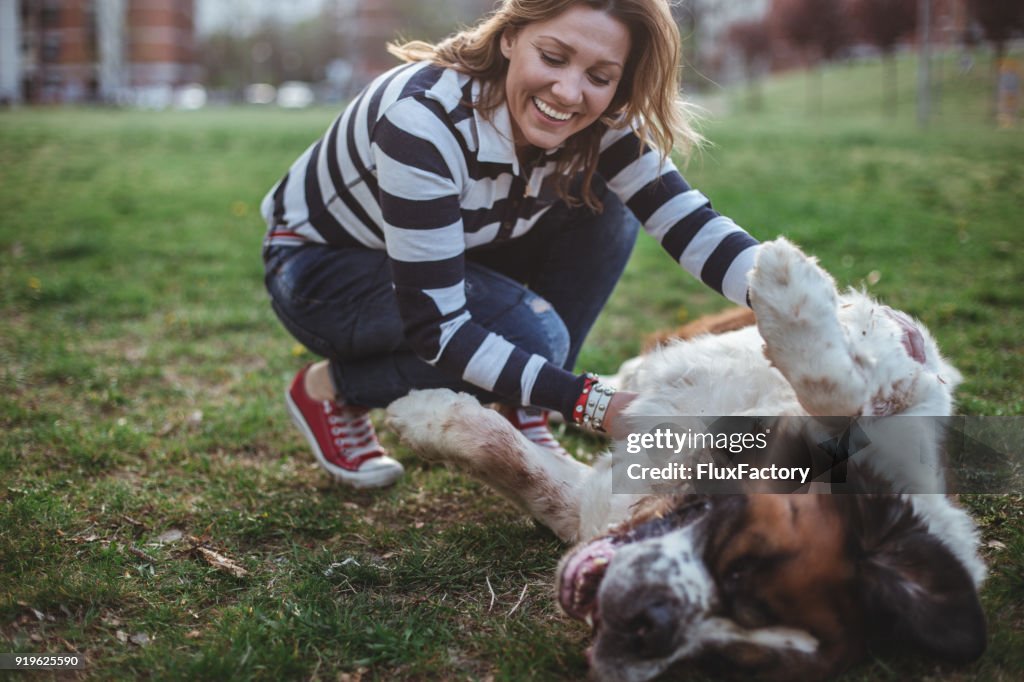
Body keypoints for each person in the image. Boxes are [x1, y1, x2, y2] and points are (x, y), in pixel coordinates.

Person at [261, 0, 760, 488]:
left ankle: (524, 406)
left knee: (603, 200)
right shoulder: (422, 121)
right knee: (534, 337)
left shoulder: (600, 116)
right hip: (320, 270)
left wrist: (798, 298)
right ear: (509, 37)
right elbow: (439, 330)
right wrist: (592, 402)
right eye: (553, 57)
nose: (568, 92)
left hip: (466, 238)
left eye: (600, 76)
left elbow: (688, 221)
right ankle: (328, 390)